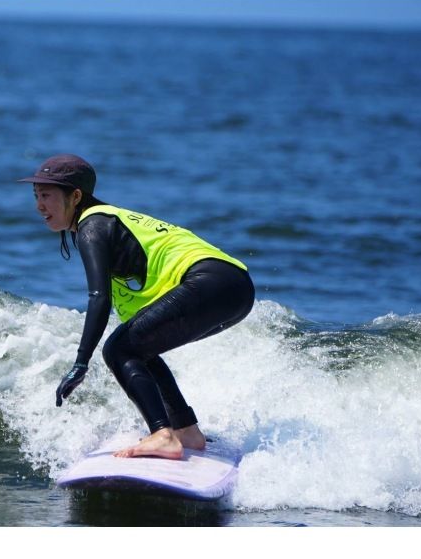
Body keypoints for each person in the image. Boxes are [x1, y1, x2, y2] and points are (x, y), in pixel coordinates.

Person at [18, 154, 255, 460]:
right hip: (234, 287)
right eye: (36, 195)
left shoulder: (93, 226)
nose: (39, 205)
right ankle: (185, 431)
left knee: (119, 349)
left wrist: (81, 362)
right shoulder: (109, 226)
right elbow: (130, 326)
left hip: (212, 281)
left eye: (47, 196)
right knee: (136, 346)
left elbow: (98, 297)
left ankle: (162, 434)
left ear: (75, 196)